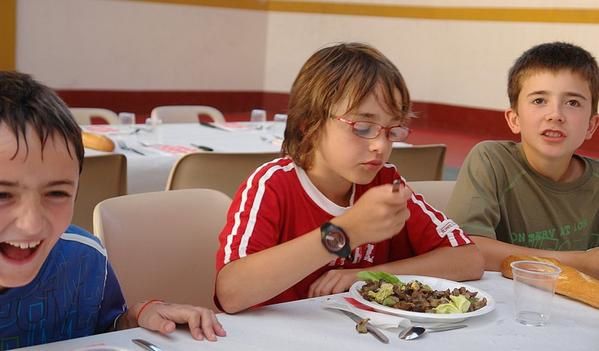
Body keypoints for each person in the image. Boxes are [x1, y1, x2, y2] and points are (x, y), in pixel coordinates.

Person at [215, 42, 484, 314]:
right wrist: (343, 234)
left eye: (392, 130)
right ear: (309, 124)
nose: (381, 145)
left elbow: (468, 259)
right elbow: (231, 292)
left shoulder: (385, 181)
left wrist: (368, 275)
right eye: (364, 127)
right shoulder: (272, 185)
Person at [0, 71, 226, 349]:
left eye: (56, 193)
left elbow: (103, 329)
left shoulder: (84, 261)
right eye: (2, 194)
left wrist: (135, 319)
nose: (32, 224)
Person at [445, 42, 599, 278]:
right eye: (539, 100)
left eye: (573, 103)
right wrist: (581, 263)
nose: (555, 115)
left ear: (591, 125)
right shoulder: (491, 160)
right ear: (514, 118)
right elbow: (468, 250)